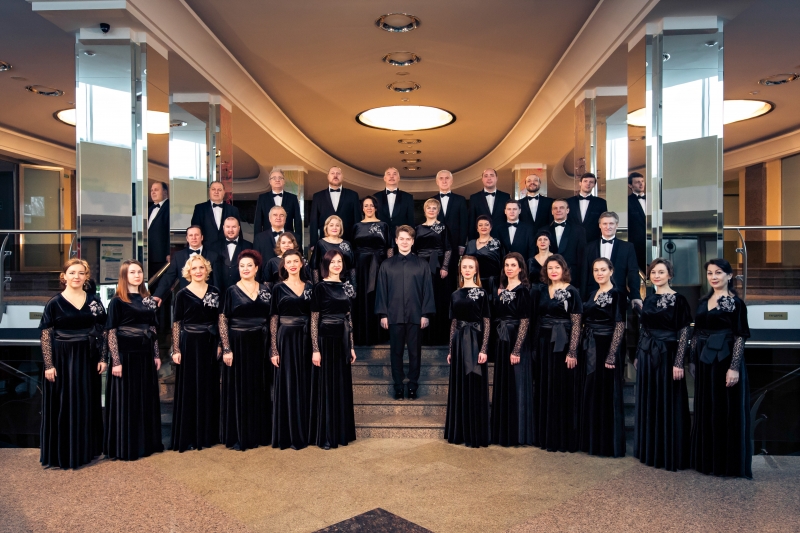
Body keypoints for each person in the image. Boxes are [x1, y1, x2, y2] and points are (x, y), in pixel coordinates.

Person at [39, 258, 107, 469]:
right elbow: (45, 335)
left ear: (86, 277)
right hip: (62, 358)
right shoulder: (54, 303)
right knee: (63, 403)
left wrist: (103, 358)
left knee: (87, 402)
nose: (76, 276)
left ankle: (86, 451)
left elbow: (104, 331)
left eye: (80, 273)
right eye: (72, 273)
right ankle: (64, 453)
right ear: (64, 277)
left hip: (88, 357)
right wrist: (49, 365)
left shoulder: (94, 301)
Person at [690, 258, 752, 478]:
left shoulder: (736, 303)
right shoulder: (702, 301)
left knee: (725, 410)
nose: (714, 277)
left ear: (729, 276)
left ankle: (727, 465)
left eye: (718, 272)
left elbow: (740, 337)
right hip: (705, 361)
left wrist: (734, 368)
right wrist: (692, 360)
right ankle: (707, 462)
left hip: (725, 359)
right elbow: (696, 334)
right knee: (707, 409)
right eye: (710, 273)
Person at [634, 258, 692, 471]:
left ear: (670, 275)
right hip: (647, 354)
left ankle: (670, 453)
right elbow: (644, 329)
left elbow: (684, 332)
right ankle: (651, 451)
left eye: (661, 272)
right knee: (650, 400)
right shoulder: (649, 299)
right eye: (653, 272)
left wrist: (679, 362)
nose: (656, 276)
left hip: (668, 354)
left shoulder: (679, 300)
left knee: (669, 400)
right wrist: (638, 354)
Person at [104, 259, 163, 461]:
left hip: (145, 354)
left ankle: (146, 443)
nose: (137, 275)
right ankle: (126, 445)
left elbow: (152, 328)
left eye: (139, 272)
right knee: (127, 401)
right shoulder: (117, 301)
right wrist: (115, 360)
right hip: (125, 356)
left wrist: (156, 354)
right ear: (124, 276)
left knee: (145, 398)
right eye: (132, 272)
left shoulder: (148, 300)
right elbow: (111, 332)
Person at [218, 250, 272, 451]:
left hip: (261, 343)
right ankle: (240, 435)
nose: (245, 269)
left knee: (260, 387)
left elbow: (272, 318)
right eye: (242, 266)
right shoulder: (231, 291)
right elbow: (223, 319)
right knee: (239, 388)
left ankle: (259, 433)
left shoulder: (266, 290)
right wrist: (226, 348)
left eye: (249, 265)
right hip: (238, 343)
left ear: (256, 268)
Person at [375, 226, 436, 400]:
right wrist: (383, 314)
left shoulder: (422, 264)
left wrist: (425, 314)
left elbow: (427, 290)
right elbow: (381, 291)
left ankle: (413, 386)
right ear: (396, 241)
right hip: (393, 315)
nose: (404, 242)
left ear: (413, 241)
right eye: (401, 238)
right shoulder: (386, 265)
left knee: (415, 353)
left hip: (416, 315)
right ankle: (398, 386)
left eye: (408, 239)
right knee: (396, 352)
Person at [170, 255, 222, 452]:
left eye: (201, 267)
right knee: (190, 388)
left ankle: (208, 434)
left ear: (206, 270)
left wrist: (220, 344)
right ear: (188, 272)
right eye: (194, 268)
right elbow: (176, 324)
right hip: (189, 344)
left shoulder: (215, 292)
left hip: (210, 343)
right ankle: (190, 435)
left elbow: (220, 321)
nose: (198, 271)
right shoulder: (182, 294)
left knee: (209, 387)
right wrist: (176, 349)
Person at [534, 254, 583, 453]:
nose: (553, 271)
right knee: (545, 386)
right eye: (550, 268)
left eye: (557, 267)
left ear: (564, 269)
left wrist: (572, 351)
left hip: (563, 343)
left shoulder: (573, 291)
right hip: (544, 343)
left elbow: (577, 324)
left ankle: (563, 438)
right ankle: (546, 437)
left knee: (562, 388)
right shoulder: (541, 290)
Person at [309, 250, 357, 449]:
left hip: (342, 340)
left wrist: (351, 346)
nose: (337, 265)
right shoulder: (320, 287)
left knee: (341, 385)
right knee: (327, 386)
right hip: (326, 339)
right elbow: (314, 319)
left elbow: (348, 317)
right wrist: (315, 348)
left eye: (339, 261)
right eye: (333, 262)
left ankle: (342, 432)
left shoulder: (347, 286)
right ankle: (327, 435)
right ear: (326, 264)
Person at [580, 258, 626, 457]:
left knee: (606, 394)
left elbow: (620, 325)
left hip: (606, 346)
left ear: (611, 271)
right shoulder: (593, 293)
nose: (599, 273)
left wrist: (612, 354)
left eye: (603, 270)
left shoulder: (617, 294)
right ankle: (592, 441)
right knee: (592, 392)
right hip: (590, 345)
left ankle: (607, 445)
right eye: (596, 270)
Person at [444, 255, 491, 448]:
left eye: (471, 267)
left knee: (475, 383)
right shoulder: (455, 294)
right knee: (460, 386)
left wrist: (484, 348)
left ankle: (476, 433)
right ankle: (459, 432)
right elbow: (453, 323)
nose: (467, 270)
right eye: (464, 267)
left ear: (476, 270)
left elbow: (487, 322)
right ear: (460, 270)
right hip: (459, 342)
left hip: (476, 341)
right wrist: (450, 349)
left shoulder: (482, 293)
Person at [270, 250, 314, 450]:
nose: (293, 264)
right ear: (284, 266)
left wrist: (315, 345)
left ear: (302, 264)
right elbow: (273, 319)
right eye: (289, 262)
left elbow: (315, 317)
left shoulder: (310, 287)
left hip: (306, 337)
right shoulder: (277, 289)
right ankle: (288, 434)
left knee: (306, 382)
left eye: (296, 261)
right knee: (287, 383)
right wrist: (274, 349)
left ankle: (306, 432)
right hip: (285, 338)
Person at [491, 253, 535, 447]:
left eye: (513, 265)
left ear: (520, 269)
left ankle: (518, 434)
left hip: (516, 341)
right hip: (502, 341)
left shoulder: (523, 291)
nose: (509, 268)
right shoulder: (501, 290)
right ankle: (503, 432)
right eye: (507, 265)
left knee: (517, 385)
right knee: (504, 384)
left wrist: (516, 350)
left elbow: (525, 322)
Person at [352, 196, 391, 346]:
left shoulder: (384, 225)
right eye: (366, 205)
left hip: (379, 265)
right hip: (361, 267)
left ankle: (380, 335)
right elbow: (352, 248)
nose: (368, 208)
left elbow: (389, 247)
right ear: (362, 209)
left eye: (371, 205)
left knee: (378, 296)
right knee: (362, 298)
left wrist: (389, 266)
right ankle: (362, 335)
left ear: (376, 207)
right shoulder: (356, 226)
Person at [413, 199, 452, 346]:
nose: (431, 210)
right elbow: (414, 250)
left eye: (434, 208)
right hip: (421, 266)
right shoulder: (417, 228)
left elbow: (448, 248)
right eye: (428, 207)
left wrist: (445, 267)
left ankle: (439, 336)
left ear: (438, 211)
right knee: (422, 298)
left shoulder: (443, 227)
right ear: (424, 210)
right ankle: (423, 336)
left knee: (438, 299)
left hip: (438, 267)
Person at [582, 211, 642, 307]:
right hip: (593, 295)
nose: (608, 226)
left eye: (611, 223)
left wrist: (635, 296)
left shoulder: (627, 247)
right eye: (604, 223)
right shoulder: (588, 247)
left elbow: (633, 272)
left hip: (618, 295)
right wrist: (582, 298)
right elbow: (584, 273)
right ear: (600, 225)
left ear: (616, 225)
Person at [153, 226, 221, 301]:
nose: (194, 238)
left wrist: (216, 299)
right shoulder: (178, 256)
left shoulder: (213, 256)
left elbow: (216, 281)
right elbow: (169, 277)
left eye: (196, 235)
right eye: (191, 235)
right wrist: (158, 295)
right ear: (187, 238)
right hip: (185, 299)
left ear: (202, 237)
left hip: (207, 299)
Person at [309, 166, 361, 245]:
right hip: (324, 243)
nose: (335, 175)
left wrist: (357, 243)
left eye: (338, 173)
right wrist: (313, 243)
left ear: (342, 177)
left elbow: (357, 221)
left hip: (348, 242)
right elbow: (314, 222)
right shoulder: (318, 196)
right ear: (328, 176)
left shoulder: (353, 195)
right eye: (332, 173)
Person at [253, 170, 303, 248]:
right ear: (270, 181)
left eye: (280, 178)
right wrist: (256, 242)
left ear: (284, 181)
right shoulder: (262, 198)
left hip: (288, 239)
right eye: (274, 178)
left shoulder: (292, 198)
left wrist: (298, 242)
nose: (277, 180)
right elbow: (258, 221)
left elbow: (297, 221)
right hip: (267, 239)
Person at [547, 199, 586, 292]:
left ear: (567, 210)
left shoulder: (578, 230)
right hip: (550, 280)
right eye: (555, 208)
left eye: (561, 208)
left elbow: (582, 257)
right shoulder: (544, 230)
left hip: (572, 278)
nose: (558, 210)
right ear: (552, 211)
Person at [464, 215, 504, 301]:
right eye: (480, 225)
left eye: (486, 224)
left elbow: (502, 265)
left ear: (491, 227)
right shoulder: (471, 243)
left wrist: (502, 284)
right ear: (477, 228)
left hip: (491, 284)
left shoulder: (496, 243)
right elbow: (464, 263)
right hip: (473, 282)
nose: (483, 227)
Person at [309, 215, 356, 287]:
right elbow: (314, 267)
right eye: (331, 225)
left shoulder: (347, 244)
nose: (334, 227)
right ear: (326, 227)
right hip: (327, 283)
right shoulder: (321, 243)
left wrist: (354, 286)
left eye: (337, 225)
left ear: (341, 228)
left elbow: (352, 267)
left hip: (345, 283)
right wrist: (317, 286)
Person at [210, 216, 253, 294]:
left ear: (239, 228)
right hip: (219, 293)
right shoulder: (213, 247)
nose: (230, 230)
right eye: (228, 227)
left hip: (242, 293)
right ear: (223, 228)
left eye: (234, 227)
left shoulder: (249, 246)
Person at [190, 181, 241, 246]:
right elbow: (195, 230)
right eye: (213, 189)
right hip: (206, 248)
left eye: (219, 190)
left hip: (227, 248)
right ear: (209, 191)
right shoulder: (199, 208)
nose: (216, 192)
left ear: (224, 192)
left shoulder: (233, 210)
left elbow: (238, 232)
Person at [432, 170, 467, 259]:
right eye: (441, 178)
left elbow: (464, 223)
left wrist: (462, 244)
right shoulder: (431, 200)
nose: (444, 181)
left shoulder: (460, 200)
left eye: (447, 178)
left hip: (455, 243)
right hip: (436, 244)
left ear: (451, 181)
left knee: (453, 267)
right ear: (437, 182)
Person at [374, 167, 415, 244]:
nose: (392, 176)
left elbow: (411, 219)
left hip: (402, 238)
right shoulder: (376, 197)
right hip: (380, 237)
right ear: (384, 178)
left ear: (399, 178)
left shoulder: (408, 197)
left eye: (394, 174)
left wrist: (411, 238)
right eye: (389, 174)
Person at [468, 168, 511, 240]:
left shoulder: (506, 197)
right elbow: (471, 222)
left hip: (502, 238)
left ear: (496, 178)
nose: (489, 178)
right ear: (482, 179)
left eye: (492, 175)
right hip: (481, 239)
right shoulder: (474, 198)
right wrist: (472, 241)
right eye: (486, 176)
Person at [567, 173, 607, 244]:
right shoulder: (569, 202)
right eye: (585, 181)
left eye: (591, 182)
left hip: (593, 241)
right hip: (572, 240)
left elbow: (604, 222)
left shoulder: (601, 202)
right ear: (580, 183)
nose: (588, 184)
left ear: (594, 185)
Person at [496, 200, 536, 267]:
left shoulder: (528, 229)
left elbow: (532, 250)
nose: (512, 211)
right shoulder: (498, 229)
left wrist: (528, 267)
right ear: (505, 211)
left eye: (514, 209)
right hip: (503, 268)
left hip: (523, 267)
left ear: (519, 211)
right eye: (509, 209)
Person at [147, 181, 170, 280]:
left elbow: (169, 232)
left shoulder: (169, 207)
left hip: (162, 256)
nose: (153, 192)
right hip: (149, 256)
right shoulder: (149, 209)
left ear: (165, 192)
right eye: (151, 190)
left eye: (156, 190)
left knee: (161, 283)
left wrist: (169, 252)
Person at [627, 172, 647, 271]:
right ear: (630, 185)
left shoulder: (653, 200)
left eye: (642, 181)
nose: (641, 184)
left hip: (653, 242)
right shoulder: (627, 201)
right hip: (636, 244)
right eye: (637, 182)